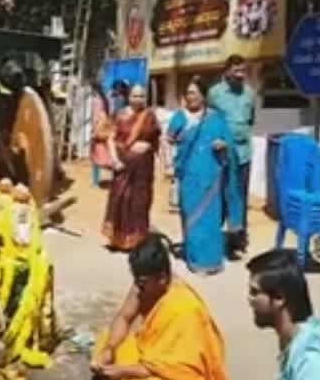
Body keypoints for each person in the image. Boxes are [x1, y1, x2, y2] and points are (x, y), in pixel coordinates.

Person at [91, 233, 227, 380]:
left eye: (142, 283)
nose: (138, 287)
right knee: (105, 339)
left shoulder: (186, 308)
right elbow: (124, 317)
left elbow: (180, 368)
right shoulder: (142, 284)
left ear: (162, 278)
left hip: (175, 371)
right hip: (150, 356)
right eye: (136, 281)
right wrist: (109, 349)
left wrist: (123, 371)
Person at [168, 77, 244, 275]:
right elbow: (170, 140)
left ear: (203, 96)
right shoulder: (179, 117)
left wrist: (223, 145)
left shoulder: (216, 118)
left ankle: (211, 260)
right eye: (188, 93)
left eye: (195, 92)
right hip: (189, 175)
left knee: (209, 218)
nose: (191, 97)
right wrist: (173, 139)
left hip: (211, 176)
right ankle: (195, 260)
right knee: (191, 215)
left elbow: (229, 144)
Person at [246, 249, 320, 380]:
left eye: (254, 292)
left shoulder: (313, 362)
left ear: (279, 298)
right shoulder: (297, 340)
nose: (249, 298)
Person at [102, 85, 160, 251]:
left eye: (141, 96)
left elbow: (157, 139)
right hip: (123, 165)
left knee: (140, 202)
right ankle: (118, 239)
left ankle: (138, 239)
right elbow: (110, 138)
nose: (138, 99)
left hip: (143, 168)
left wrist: (148, 145)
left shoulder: (149, 115)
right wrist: (114, 160)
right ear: (129, 97)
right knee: (120, 199)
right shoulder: (119, 115)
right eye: (135, 96)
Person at [207, 55, 255, 256]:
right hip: (221, 153)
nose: (240, 74)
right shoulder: (215, 93)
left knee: (240, 195)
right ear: (226, 71)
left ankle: (237, 239)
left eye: (243, 71)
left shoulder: (249, 93)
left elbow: (251, 120)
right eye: (236, 70)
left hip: (243, 154)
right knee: (218, 196)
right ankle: (214, 237)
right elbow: (208, 120)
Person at [91, 82, 113, 187]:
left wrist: (94, 131)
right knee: (108, 155)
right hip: (106, 129)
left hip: (99, 129)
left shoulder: (96, 101)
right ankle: (114, 177)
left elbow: (96, 117)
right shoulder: (106, 100)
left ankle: (95, 181)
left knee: (96, 157)